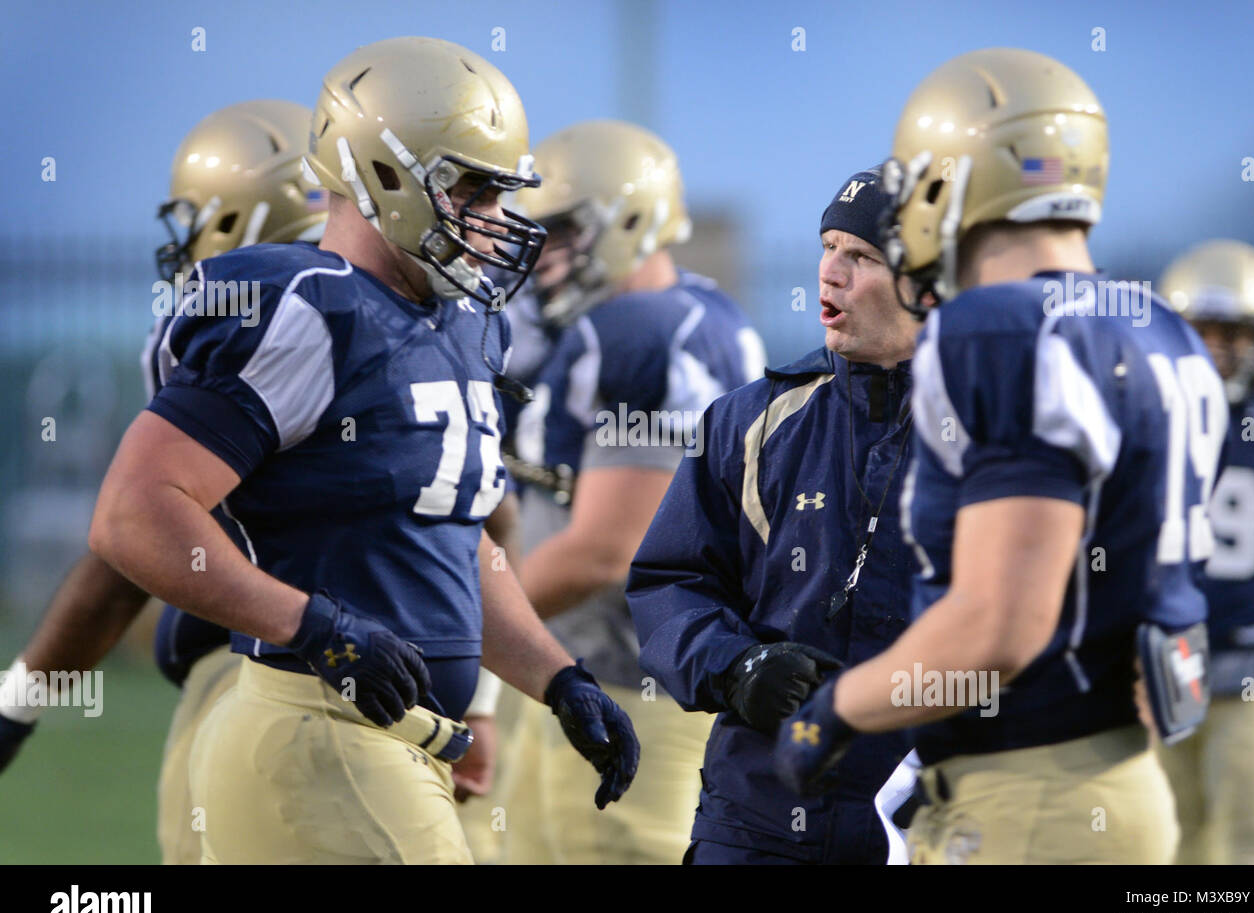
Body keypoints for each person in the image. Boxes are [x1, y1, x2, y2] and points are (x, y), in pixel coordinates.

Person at [87, 36, 638, 865]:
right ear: (384, 174)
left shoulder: (449, 321)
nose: (497, 216)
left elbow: (458, 549)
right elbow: (134, 513)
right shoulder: (311, 310)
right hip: (315, 732)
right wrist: (313, 622)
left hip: (391, 742)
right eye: (474, 188)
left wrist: (560, 679)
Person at [774, 47, 1228, 865]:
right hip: (1119, 777)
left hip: (1029, 798)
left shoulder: (999, 329)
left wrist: (838, 707)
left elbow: (998, 624)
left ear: (954, 179)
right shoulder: (1158, 325)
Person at [0, 99, 327, 865]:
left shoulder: (243, 316)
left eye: (193, 220)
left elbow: (130, 539)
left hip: (270, 683)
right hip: (420, 685)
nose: (181, 243)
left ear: (239, 216)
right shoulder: (417, 315)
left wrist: (17, 706)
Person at [625, 168, 919, 864]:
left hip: (927, 825)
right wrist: (737, 665)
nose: (831, 273)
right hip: (755, 818)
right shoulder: (751, 419)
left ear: (926, 277)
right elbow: (668, 580)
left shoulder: (992, 432)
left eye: (863, 256)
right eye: (828, 246)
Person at [491, 120, 766, 864]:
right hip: (582, 672)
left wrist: (465, 626)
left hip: (631, 688)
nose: (541, 254)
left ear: (631, 217)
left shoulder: (647, 331)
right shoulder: (663, 316)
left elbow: (607, 550)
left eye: (561, 231)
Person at [1155, 239, 1254, 864]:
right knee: (1167, 840)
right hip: (1163, 660)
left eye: (1236, 331)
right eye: (1202, 329)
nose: (1217, 346)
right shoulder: (1151, 413)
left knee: (1253, 842)